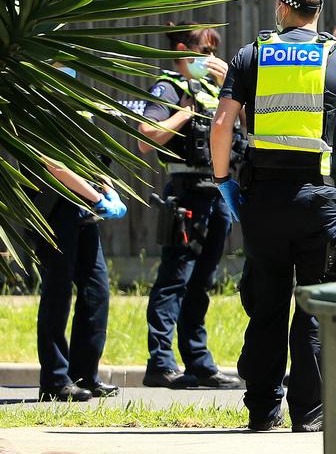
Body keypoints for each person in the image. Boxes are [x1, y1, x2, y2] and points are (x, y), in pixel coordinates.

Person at [211, 0, 336, 432]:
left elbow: (222, 126)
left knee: (267, 305)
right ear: (317, 10)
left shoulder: (251, 55)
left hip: (263, 199)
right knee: (312, 309)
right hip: (321, 200)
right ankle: (310, 414)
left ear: (282, 8)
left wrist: (224, 179)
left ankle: (262, 411)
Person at [136, 25, 240, 390]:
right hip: (186, 194)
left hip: (218, 193)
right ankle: (160, 362)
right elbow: (145, 139)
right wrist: (182, 115)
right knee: (174, 279)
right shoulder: (168, 87)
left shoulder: (217, 88)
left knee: (203, 281)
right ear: (182, 50)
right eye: (203, 52)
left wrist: (234, 84)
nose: (210, 60)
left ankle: (198, 362)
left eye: (215, 52)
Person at [34, 159, 127, 402]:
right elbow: (54, 165)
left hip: (85, 208)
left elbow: (93, 162)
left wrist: (110, 192)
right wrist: (97, 198)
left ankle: (85, 375)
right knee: (58, 293)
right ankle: (54, 381)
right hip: (53, 209)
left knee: (97, 291)